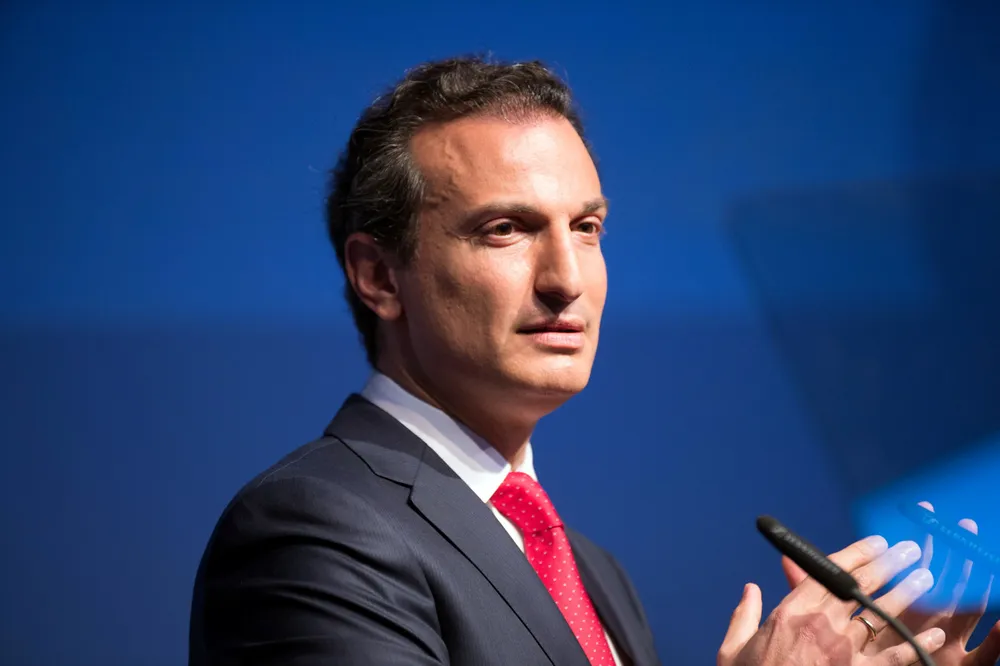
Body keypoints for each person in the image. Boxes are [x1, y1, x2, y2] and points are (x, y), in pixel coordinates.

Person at [188, 56, 1000, 666]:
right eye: (506, 230)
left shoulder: (595, 575)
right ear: (379, 276)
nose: (565, 280)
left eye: (586, 228)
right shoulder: (311, 530)